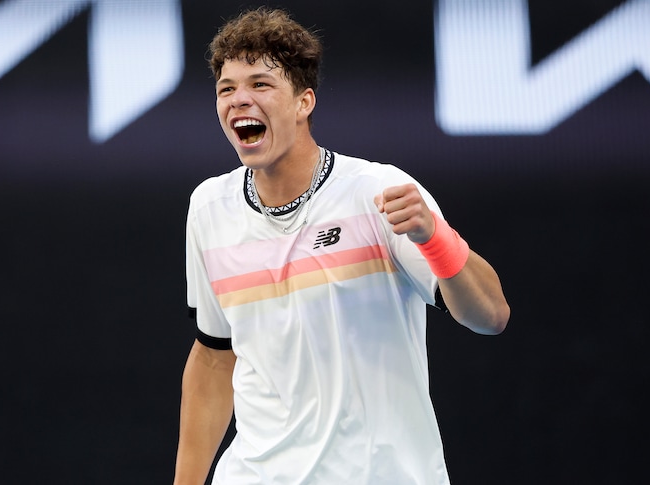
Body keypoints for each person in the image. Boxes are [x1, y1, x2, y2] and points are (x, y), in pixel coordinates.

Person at [174, 7, 510, 484]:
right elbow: (213, 355)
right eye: (226, 89)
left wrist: (435, 238)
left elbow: (491, 316)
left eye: (260, 84)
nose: (239, 99)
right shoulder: (209, 208)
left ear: (303, 102)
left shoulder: (378, 192)